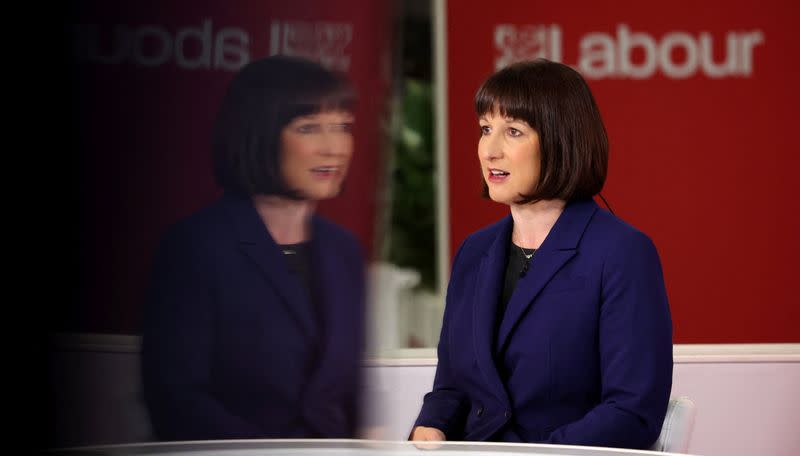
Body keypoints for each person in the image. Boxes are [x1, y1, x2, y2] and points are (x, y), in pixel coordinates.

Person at [410, 59, 673, 449]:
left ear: (560, 140)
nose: (490, 150)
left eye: (513, 131)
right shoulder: (474, 252)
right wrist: (429, 427)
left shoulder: (623, 253)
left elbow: (631, 412)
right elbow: (452, 387)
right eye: (485, 129)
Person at [141, 55, 365, 440]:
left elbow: (346, 397)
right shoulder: (195, 246)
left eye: (342, 126)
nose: (334, 148)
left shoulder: (343, 250)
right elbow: (176, 399)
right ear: (260, 134)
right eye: (309, 128)